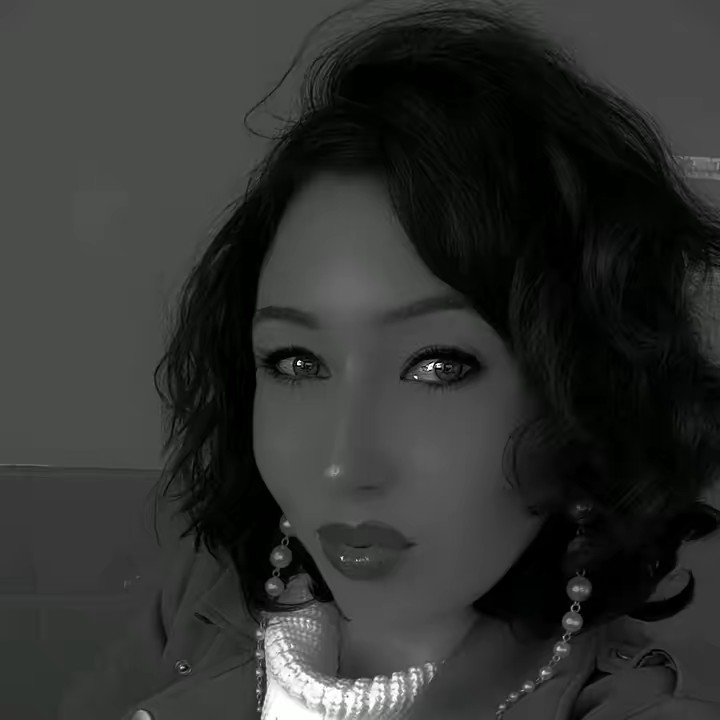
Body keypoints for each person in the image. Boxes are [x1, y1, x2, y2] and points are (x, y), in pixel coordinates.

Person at [58, 1, 720, 718]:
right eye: (296, 362)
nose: (342, 465)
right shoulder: (198, 597)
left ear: (584, 398)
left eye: (438, 367)